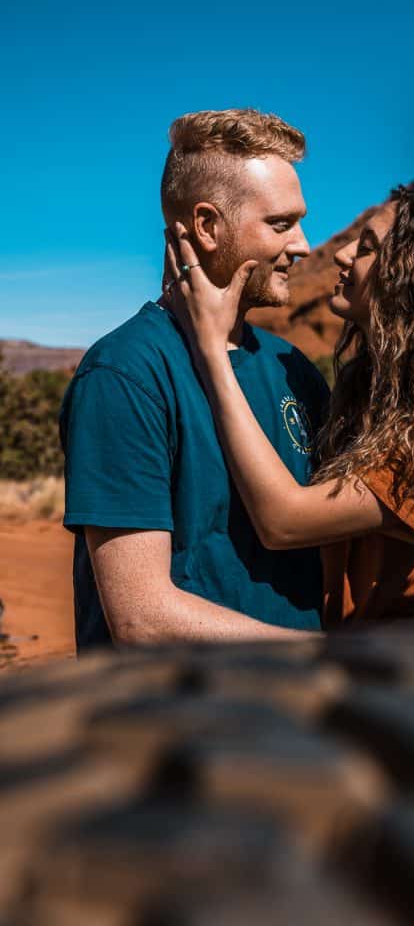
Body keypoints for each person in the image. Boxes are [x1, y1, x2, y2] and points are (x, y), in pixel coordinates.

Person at [164, 187, 414, 628]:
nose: (340, 255)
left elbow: (284, 521)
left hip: (412, 675)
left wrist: (210, 346)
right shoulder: (368, 392)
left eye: (366, 249)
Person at [59, 109, 330, 650]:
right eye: (279, 224)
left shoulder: (292, 367)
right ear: (207, 226)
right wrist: (324, 659)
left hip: (297, 717)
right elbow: (143, 619)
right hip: (177, 721)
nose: (302, 245)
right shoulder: (125, 372)